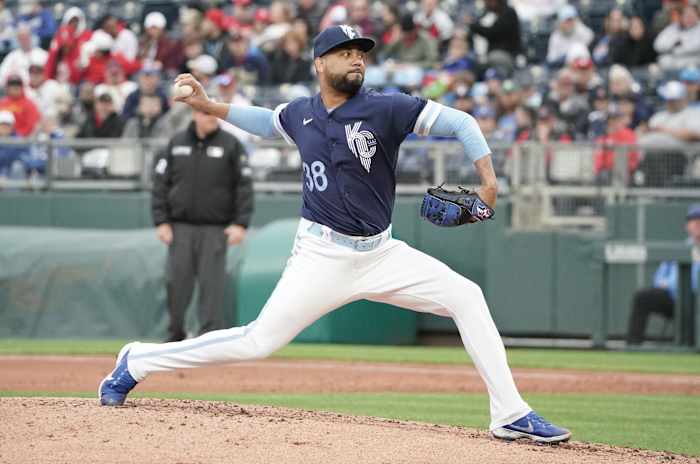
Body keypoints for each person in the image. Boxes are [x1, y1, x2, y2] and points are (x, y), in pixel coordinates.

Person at [98, 25, 571, 444]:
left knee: (466, 297)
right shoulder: (303, 114)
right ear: (320, 63)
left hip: (381, 253)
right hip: (321, 256)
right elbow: (266, 122)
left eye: (361, 52)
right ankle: (138, 360)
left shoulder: (388, 108)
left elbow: (461, 122)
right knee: (257, 341)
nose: (357, 58)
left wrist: (488, 181)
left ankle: (510, 414)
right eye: (346, 52)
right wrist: (207, 105)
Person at [150, 107, 254, 342]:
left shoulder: (231, 144)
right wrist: (161, 222)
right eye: (207, 113)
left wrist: (240, 223)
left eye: (214, 113)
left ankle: (210, 338)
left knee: (212, 286)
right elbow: (160, 185)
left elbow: (244, 187)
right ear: (195, 115)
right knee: (176, 284)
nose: (212, 118)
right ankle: (175, 335)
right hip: (180, 227)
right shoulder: (175, 143)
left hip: (215, 229)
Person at [627, 204, 700, 345]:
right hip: (673, 298)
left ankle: (690, 345)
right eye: (693, 220)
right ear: (687, 226)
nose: (697, 224)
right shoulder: (681, 247)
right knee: (643, 297)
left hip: (695, 301)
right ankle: (633, 346)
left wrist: (673, 285)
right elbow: (659, 278)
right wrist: (667, 284)